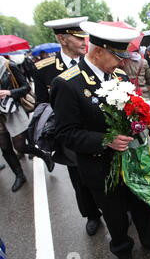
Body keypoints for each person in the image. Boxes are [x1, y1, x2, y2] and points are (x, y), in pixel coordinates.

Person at [51, 22, 150, 259]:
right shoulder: (67, 84)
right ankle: (122, 250)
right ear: (98, 52)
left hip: (131, 159)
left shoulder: (120, 78)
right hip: (99, 164)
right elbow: (65, 133)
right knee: (114, 212)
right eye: (118, 56)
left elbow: (133, 111)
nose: (121, 63)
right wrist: (104, 140)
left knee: (142, 204)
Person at [39, 17, 102, 236]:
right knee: (79, 177)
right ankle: (91, 214)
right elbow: (42, 106)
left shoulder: (93, 62)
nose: (85, 42)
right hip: (70, 134)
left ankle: (116, 208)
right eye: (78, 37)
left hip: (97, 130)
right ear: (62, 39)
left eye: (85, 37)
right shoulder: (43, 69)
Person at [0, 56, 40, 192]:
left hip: (12, 111)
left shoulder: (8, 66)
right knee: (5, 147)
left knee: (20, 146)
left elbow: (26, 88)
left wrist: (9, 92)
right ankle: (19, 176)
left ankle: (43, 155)